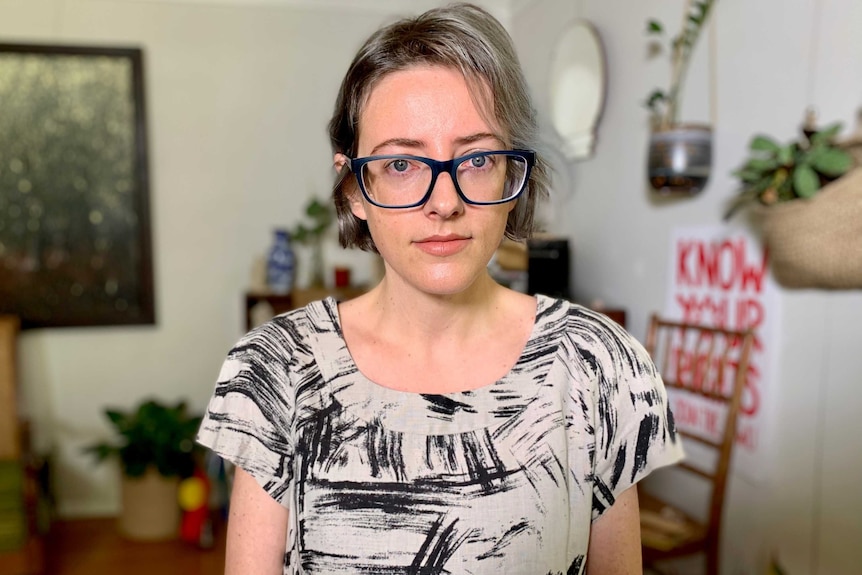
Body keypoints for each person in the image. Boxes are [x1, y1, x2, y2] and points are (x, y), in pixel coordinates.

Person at [198, 3, 683, 574]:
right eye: (401, 164)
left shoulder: (599, 362)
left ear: (511, 173)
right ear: (354, 188)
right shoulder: (275, 370)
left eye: (476, 158)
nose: (444, 202)